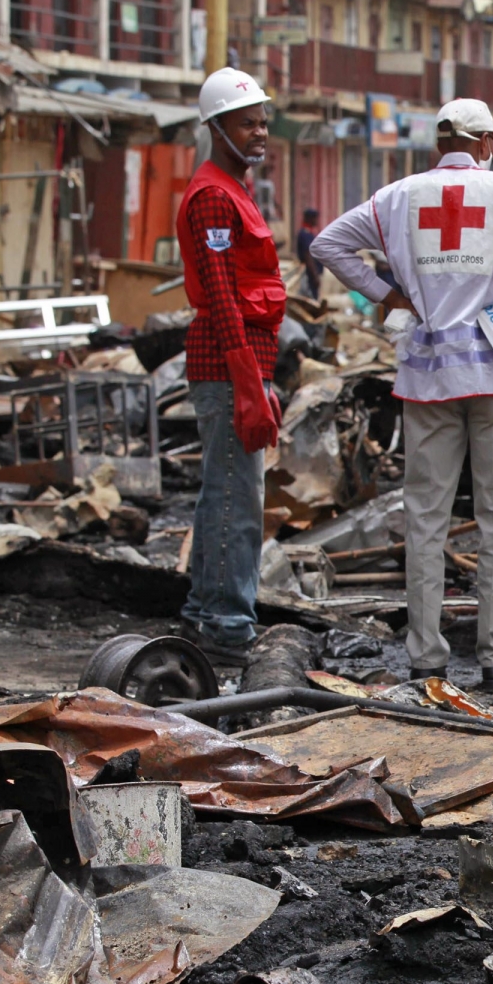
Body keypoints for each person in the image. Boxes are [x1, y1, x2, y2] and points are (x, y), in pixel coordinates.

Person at [312, 98, 493, 684]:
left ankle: (426, 658)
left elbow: (327, 247)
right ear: (484, 144)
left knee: (426, 518)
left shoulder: (396, 197)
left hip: (427, 381)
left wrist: (388, 294)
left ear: (440, 144)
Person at [176, 68, 286, 666]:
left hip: (238, 364)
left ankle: (208, 614)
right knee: (232, 501)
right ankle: (223, 626)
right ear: (217, 128)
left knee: (229, 493)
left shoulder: (233, 190)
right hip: (226, 365)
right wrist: (247, 381)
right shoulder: (215, 196)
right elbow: (221, 294)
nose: (260, 131)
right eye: (247, 122)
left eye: (263, 121)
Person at [295, 208, 322, 299]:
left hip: (311, 273)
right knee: (310, 298)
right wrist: (315, 275)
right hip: (309, 274)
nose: (316, 220)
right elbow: (308, 255)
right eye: (314, 218)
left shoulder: (310, 232)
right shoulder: (305, 234)